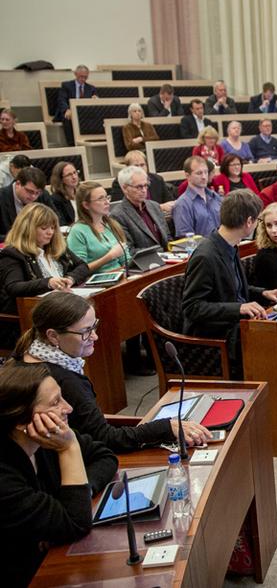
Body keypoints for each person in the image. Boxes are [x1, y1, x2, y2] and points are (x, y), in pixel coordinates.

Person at [14, 292, 211, 450]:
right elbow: (105, 438)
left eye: (94, 327)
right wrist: (165, 427)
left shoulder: (28, 354)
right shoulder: (62, 380)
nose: (95, 337)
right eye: (85, 332)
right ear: (53, 336)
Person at [0, 360, 117, 586]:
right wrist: (68, 449)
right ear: (20, 420)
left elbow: (104, 456)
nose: (68, 408)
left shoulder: (45, 437)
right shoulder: (7, 477)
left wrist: (79, 490)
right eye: (55, 402)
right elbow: (76, 523)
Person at [182, 189, 277, 365]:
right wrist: (238, 308)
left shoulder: (230, 246)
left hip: (234, 324)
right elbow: (192, 308)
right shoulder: (206, 256)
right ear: (249, 221)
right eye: (258, 220)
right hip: (216, 335)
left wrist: (264, 293)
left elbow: (231, 289)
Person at [0, 204, 89, 315]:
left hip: (62, 305)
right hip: (32, 313)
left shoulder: (57, 247)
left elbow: (82, 266)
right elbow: (14, 287)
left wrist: (70, 278)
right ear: (28, 228)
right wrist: (48, 283)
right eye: (44, 228)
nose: (50, 232)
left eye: (52, 228)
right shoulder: (13, 254)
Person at [66, 182, 130, 274]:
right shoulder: (78, 231)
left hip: (120, 274)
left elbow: (126, 259)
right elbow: (79, 271)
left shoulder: (111, 224)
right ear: (86, 205)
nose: (107, 202)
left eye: (107, 197)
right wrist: (110, 256)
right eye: (101, 199)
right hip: (97, 282)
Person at [110, 165, 170, 251]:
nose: (144, 190)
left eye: (146, 185)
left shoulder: (154, 206)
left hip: (169, 260)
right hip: (145, 262)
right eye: (139, 187)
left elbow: (167, 237)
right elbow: (129, 250)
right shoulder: (117, 215)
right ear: (125, 188)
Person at [173, 156, 222, 238]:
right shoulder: (182, 204)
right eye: (199, 173)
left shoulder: (215, 197)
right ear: (187, 175)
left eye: (206, 172)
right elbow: (186, 239)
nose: (204, 177)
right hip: (201, 249)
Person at [110, 150, 174, 212]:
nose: (140, 168)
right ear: (128, 168)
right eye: (136, 166)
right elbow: (119, 208)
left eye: (142, 165)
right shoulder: (120, 182)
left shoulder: (157, 179)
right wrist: (159, 207)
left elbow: (169, 201)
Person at [0, 166, 51, 241]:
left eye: (37, 193)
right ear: (18, 184)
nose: (33, 196)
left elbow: (54, 220)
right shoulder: (2, 197)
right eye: (29, 191)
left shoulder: (43, 195)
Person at [55, 65, 97, 144]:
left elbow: (95, 103)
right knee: (68, 117)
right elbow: (61, 100)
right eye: (81, 76)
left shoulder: (91, 88)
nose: (83, 79)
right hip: (70, 111)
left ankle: (88, 141)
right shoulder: (66, 85)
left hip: (84, 112)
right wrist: (67, 109)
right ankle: (71, 143)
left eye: (85, 77)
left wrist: (95, 100)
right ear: (75, 74)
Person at [48, 161, 79, 226]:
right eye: (69, 175)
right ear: (60, 179)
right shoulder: (55, 200)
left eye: (75, 172)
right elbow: (61, 224)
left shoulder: (82, 194)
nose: (74, 177)